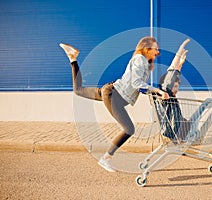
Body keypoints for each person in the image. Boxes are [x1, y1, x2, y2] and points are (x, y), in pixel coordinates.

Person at [59, 37, 189, 172]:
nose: (157, 52)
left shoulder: (143, 61)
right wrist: (157, 91)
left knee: (78, 90)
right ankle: (106, 158)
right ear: (146, 48)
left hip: (111, 91)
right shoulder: (140, 60)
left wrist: (178, 64)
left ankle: (72, 58)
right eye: (155, 49)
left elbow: (140, 84)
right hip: (113, 95)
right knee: (129, 129)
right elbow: (137, 84)